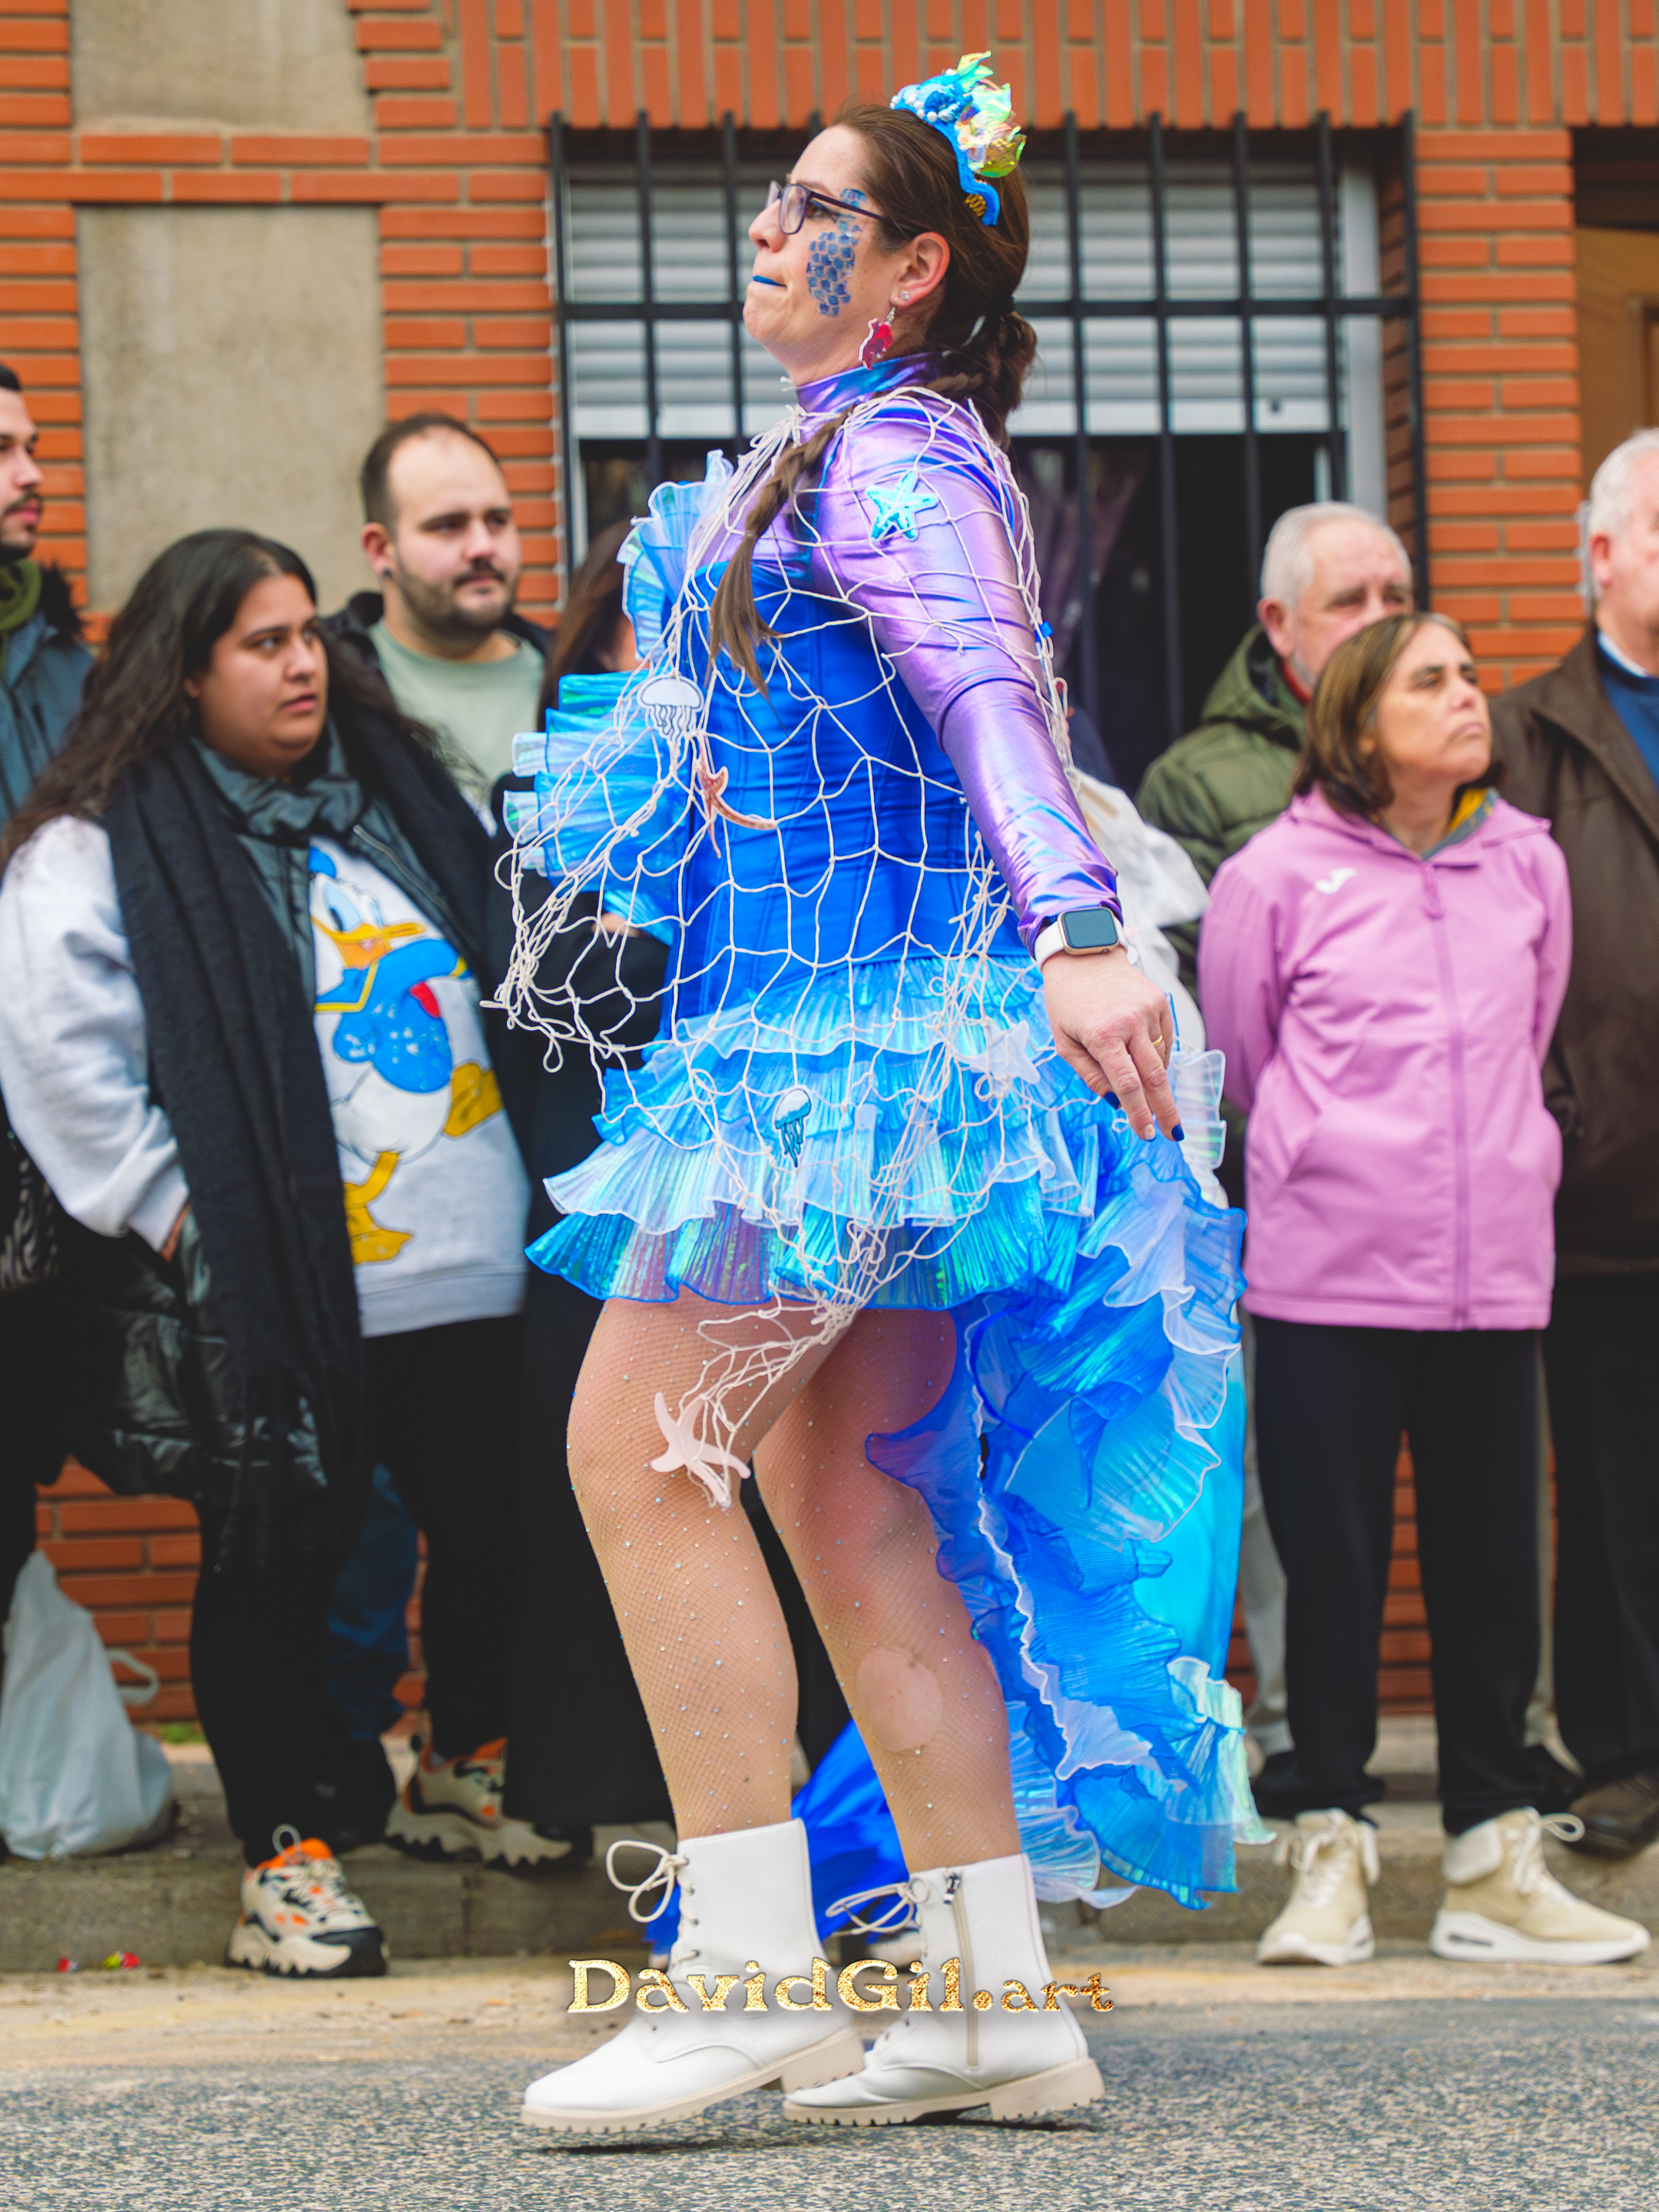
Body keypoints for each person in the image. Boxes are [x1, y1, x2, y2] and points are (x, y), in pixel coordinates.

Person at [507, 60, 1253, 2135]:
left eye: (813, 209)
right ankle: (995, 2009)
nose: (766, 229)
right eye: (770, 201)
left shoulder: (895, 453)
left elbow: (992, 692)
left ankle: (747, 1981)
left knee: (641, 1453)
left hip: (840, 1075)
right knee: (854, 1517)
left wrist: (1081, 924)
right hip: (855, 1066)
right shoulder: (848, 445)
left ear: (912, 268)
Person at [0, 529, 553, 1979]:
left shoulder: (398, 801)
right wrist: (191, 1221)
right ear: (182, 672)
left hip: (470, 1261)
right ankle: (283, 1857)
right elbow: (65, 1066)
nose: (305, 662)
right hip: (279, 1285)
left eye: (310, 633)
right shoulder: (99, 845)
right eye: (263, 642)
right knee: (273, 1562)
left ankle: (461, 1758)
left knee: (493, 1526)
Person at [1200, 611, 1647, 1970]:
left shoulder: (1529, 862)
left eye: (1468, 675)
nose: (1470, 698)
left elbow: (1533, 1032)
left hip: (1495, 1275)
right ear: (1357, 720)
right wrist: (1327, 1159)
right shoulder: (1273, 876)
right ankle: (1330, 1851)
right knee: (1333, 1576)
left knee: (1494, 1573)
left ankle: (1490, 1864)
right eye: (1432, 681)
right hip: (1326, 1280)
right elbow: (1242, 1058)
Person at [1137, 502, 1415, 1794]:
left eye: (1396, 596)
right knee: (1270, 1480)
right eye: (1349, 601)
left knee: (1459, 1469)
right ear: (1280, 626)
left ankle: (1500, 1744)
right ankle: (1306, 1733)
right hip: (1278, 1198)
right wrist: (1318, 1143)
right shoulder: (1202, 783)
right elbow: (1216, 1029)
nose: (1379, 622)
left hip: (1442, 1198)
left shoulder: (1459, 760)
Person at [1491, 428, 1659, 1859]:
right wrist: (1557, 1111)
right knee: (1613, 1481)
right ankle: (1625, 1756)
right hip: (1603, 1173)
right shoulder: (1526, 731)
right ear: (1599, 555)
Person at [0, 359, 91, 1714]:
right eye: (0, 451)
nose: (29, 474)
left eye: (28, 445)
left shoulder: (67, 670)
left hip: (36, 1148)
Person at [325, 413, 548, 810]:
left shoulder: (586, 676)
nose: (483, 546)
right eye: (448, 526)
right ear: (381, 550)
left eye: (497, 520)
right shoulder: (326, 691)